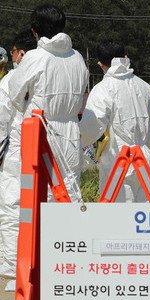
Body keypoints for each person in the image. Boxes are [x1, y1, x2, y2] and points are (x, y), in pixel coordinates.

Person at [8, 4, 89, 203]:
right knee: (70, 192)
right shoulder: (77, 58)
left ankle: (43, 235)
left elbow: (15, 95)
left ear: (35, 31)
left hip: (41, 131)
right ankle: (70, 234)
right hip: (71, 131)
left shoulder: (35, 57)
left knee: (40, 194)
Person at [80, 41, 150, 202]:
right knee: (145, 215)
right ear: (125, 57)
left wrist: (81, 144)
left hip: (118, 161)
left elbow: (91, 127)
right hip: (143, 157)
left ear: (100, 64)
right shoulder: (144, 87)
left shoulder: (103, 88)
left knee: (118, 217)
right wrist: (144, 148)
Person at [0, 31, 38, 291]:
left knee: (14, 210)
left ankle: (16, 273)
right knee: (44, 207)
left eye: (12, 51)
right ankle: (47, 264)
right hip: (46, 148)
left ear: (21, 53)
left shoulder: (12, 79)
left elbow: (1, 119)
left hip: (15, 150)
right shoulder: (48, 73)